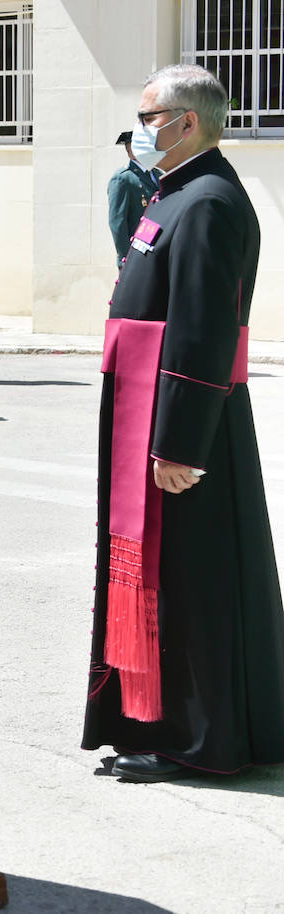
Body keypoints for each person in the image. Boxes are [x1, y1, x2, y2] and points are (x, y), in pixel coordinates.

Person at [82, 63, 284, 783]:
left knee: (192, 589)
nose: (141, 131)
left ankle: (194, 741)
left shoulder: (205, 203)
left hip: (178, 430)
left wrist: (178, 443)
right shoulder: (176, 194)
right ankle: (159, 724)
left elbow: (201, 329)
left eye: (147, 118)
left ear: (186, 121)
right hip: (148, 411)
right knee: (169, 582)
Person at [107, 129, 159, 268]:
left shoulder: (157, 174)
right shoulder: (123, 178)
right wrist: (127, 257)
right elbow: (117, 223)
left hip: (158, 251)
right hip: (137, 255)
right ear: (130, 151)